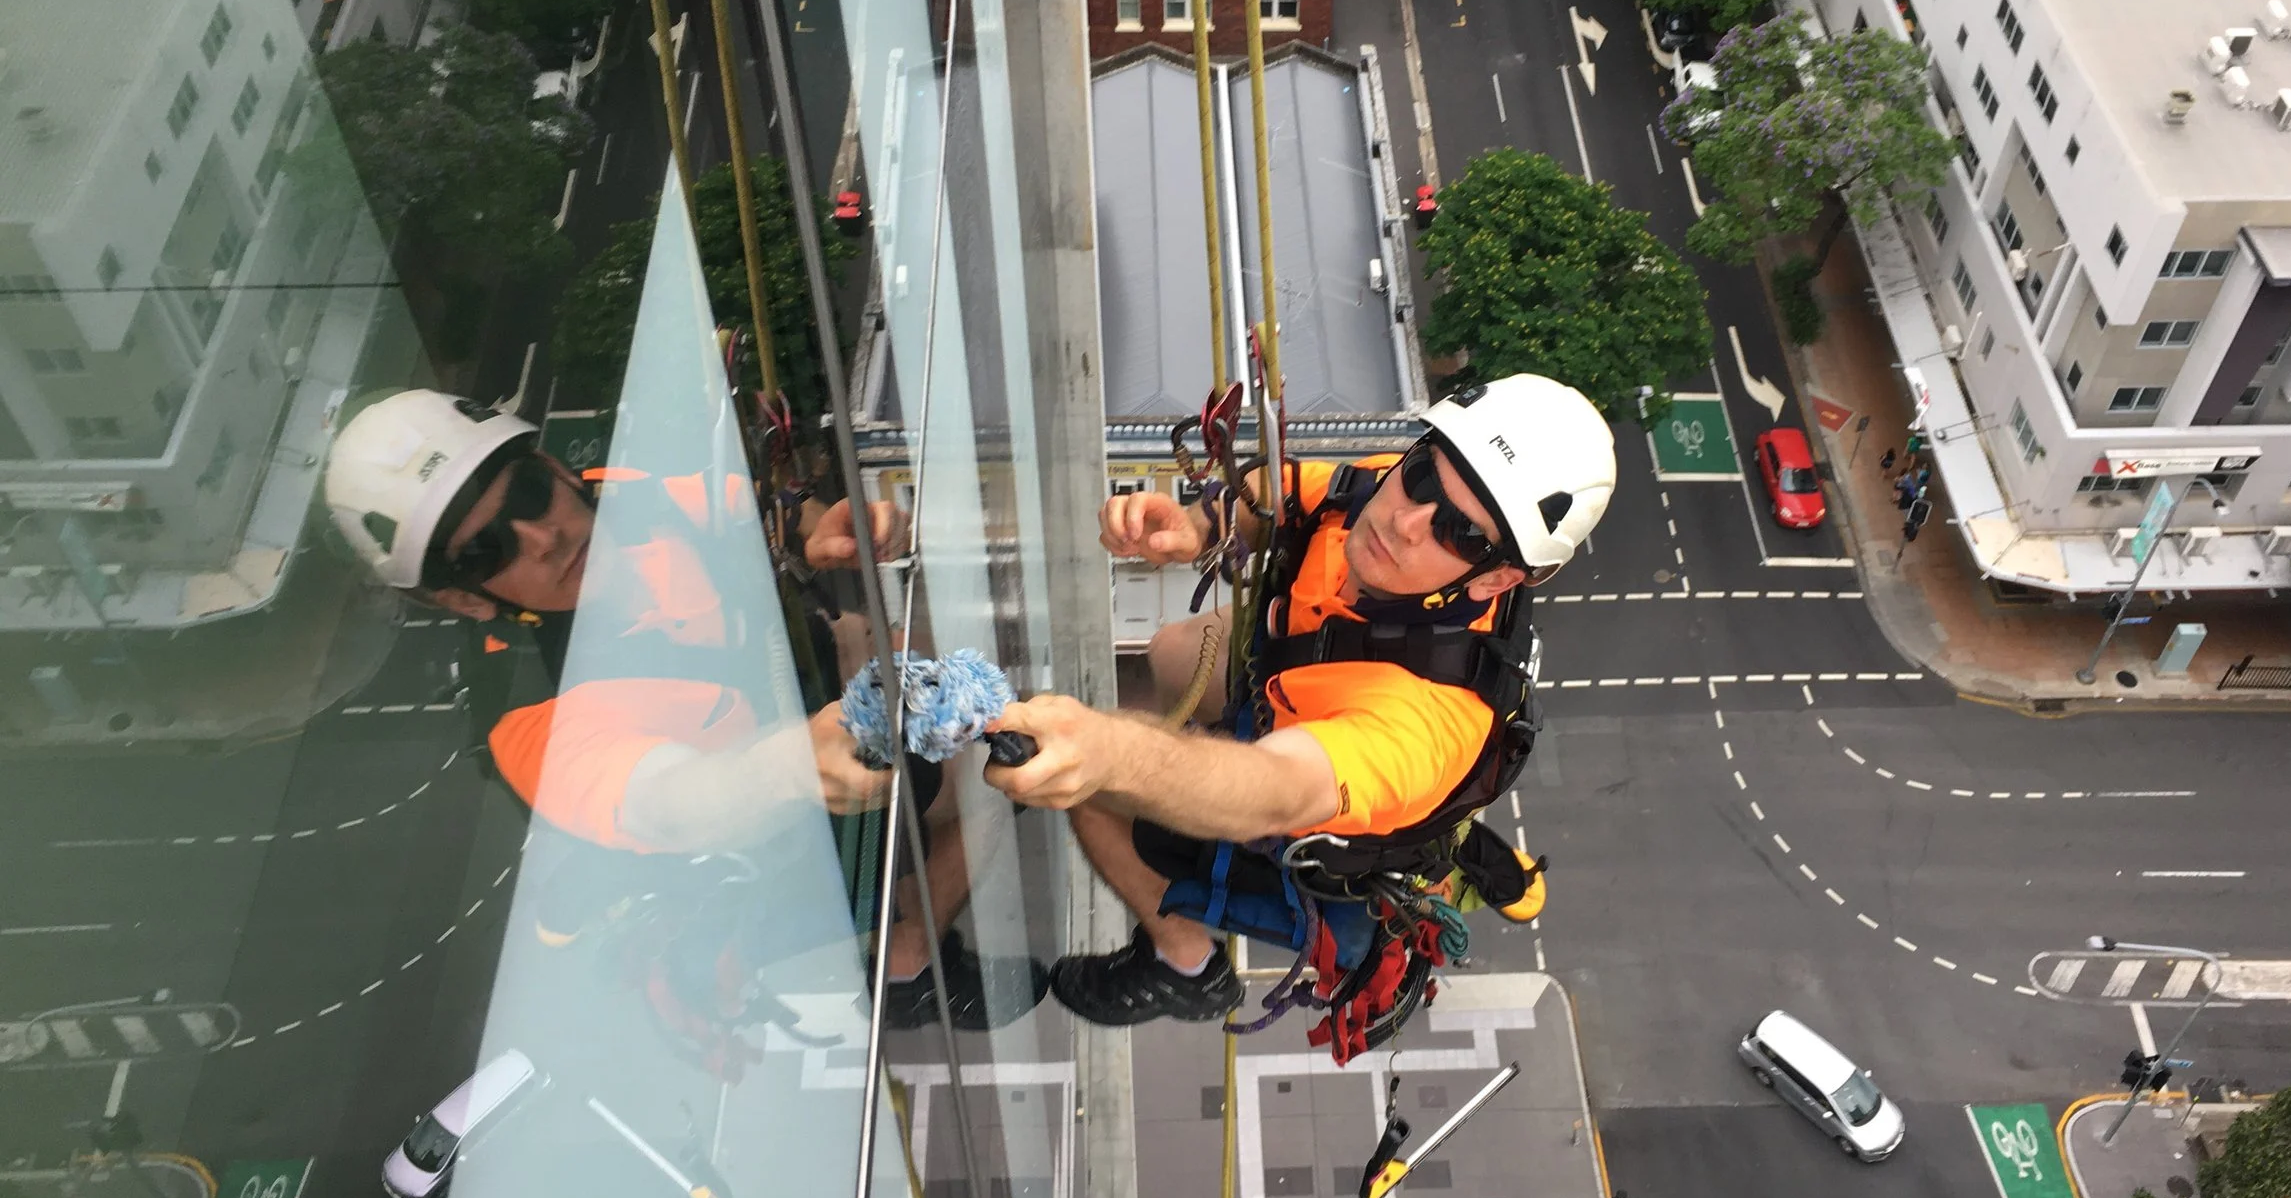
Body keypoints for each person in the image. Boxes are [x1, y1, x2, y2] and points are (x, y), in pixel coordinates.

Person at [322, 388, 1031, 1031]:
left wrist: (817, 532)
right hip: (758, 831)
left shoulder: (625, 497)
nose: (545, 536)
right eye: (488, 549)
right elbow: (671, 801)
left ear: (556, 468)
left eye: (531, 494)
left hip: (788, 708)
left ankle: (912, 893)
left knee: (916, 666)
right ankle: (907, 962)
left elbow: (748, 508)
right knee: (983, 793)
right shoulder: (531, 717)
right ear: (466, 598)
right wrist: (786, 769)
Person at [956, 374, 1616, 1030]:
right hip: (1296, 676)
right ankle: (1184, 753)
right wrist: (1198, 527)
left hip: (1305, 827)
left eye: (1460, 535)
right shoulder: (1404, 489)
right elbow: (1300, 491)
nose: (1405, 520)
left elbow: (1276, 789)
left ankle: (1182, 965)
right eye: (1421, 476)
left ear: (1500, 575)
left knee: (1100, 793)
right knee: (1169, 651)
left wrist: (1111, 752)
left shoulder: (1429, 721)